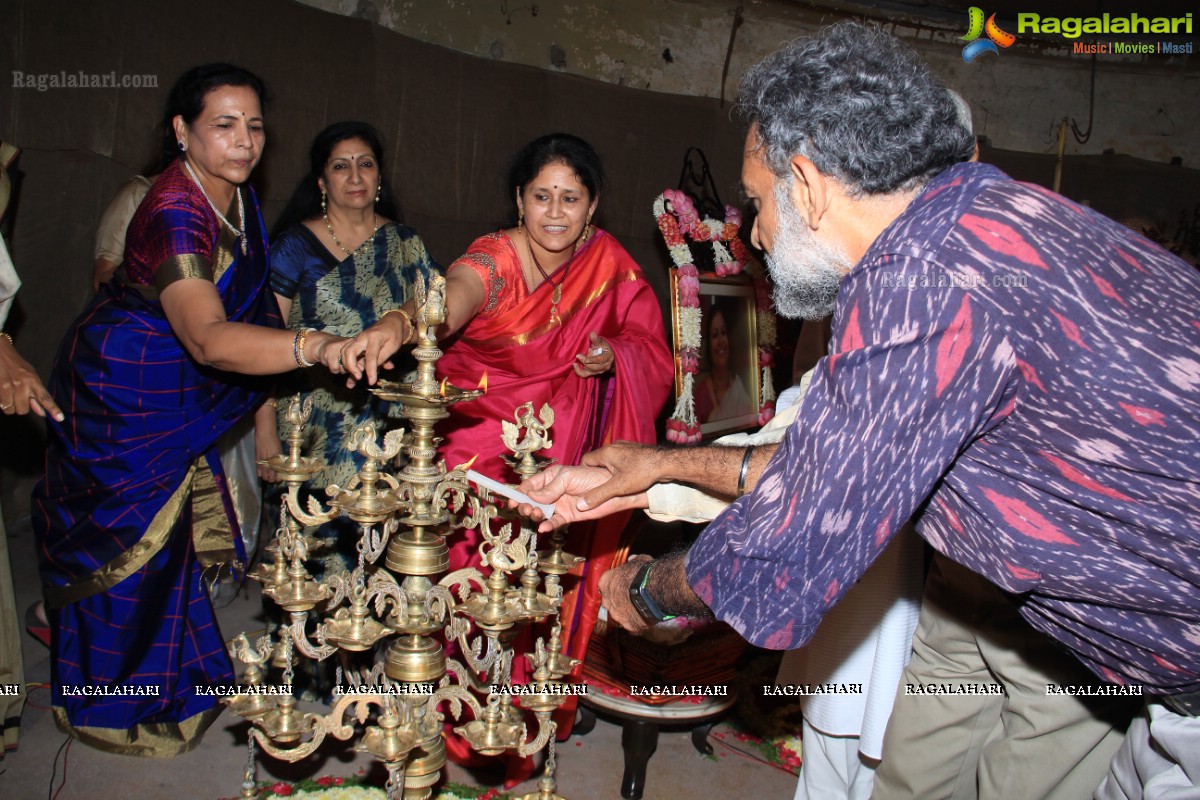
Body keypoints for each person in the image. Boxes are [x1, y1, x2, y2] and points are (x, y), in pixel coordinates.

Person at [517, 23, 1200, 800]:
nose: (757, 232)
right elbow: (832, 462)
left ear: (806, 184)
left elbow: (800, 534)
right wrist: (656, 468)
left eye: (756, 203)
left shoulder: (921, 276)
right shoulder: (988, 212)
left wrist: (640, 591)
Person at [30, 63, 348, 756]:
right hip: (123, 392)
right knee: (125, 548)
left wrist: (265, 422)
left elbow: (252, 302)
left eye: (255, 126)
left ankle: (170, 679)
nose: (243, 142)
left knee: (167, 543)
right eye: (223, 125)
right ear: (182, 131)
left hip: (171, 390)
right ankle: (110, 707)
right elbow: (208, 337)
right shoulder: (176, 211)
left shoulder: (233, 195)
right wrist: (315, 345)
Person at [340, 132, 673, 774]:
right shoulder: (495, 258)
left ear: (593, 205)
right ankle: (448, 718)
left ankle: (529, 709)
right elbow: (451, 297)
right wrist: (401, 325)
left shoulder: (609, 264)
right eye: (541, 196)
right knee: (469, 586)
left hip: (564, 449)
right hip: (480, 456)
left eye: (570, 198)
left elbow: (649, 348)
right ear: (518, 202)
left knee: (545, 581)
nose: (554, 212)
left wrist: (613, 354)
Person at [258, 121, 439, 580]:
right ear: (322, 181)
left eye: (366, 164)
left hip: (390, 420)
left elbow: (439, 307)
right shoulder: (294, 247)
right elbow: (260, 338)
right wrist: (264, 431)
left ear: (379, 176)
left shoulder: (406, 243)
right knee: (319, 547)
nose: (355, 176)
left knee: (387, 541)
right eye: (341, 166)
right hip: (314, 425)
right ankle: (312, 645)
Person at [1, 138, 65, 759]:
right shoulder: (162, 204)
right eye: (225, 123)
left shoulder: (239, 209)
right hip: (143, 378)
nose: (243, 140)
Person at [692, 298, 754, 424]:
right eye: (715, 335)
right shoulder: (701, 393)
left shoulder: (739, 386)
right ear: (708, 345)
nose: (720, 341)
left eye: (723, 333)